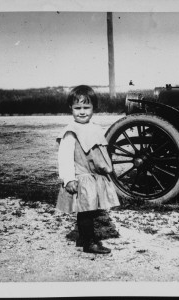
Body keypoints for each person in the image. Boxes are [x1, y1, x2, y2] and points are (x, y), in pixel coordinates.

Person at [56, 85, 120, 254]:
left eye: (86, 107)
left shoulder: (94, 128)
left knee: (91, 210)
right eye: (77, 108)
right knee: (86, 211)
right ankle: (89, 242)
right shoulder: (70, 132)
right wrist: (68, 178)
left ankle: (85, 238)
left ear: (94, 108)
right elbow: (65, 157)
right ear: (71, 108)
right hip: (82, 177)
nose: (82, 112)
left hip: (94, 176)